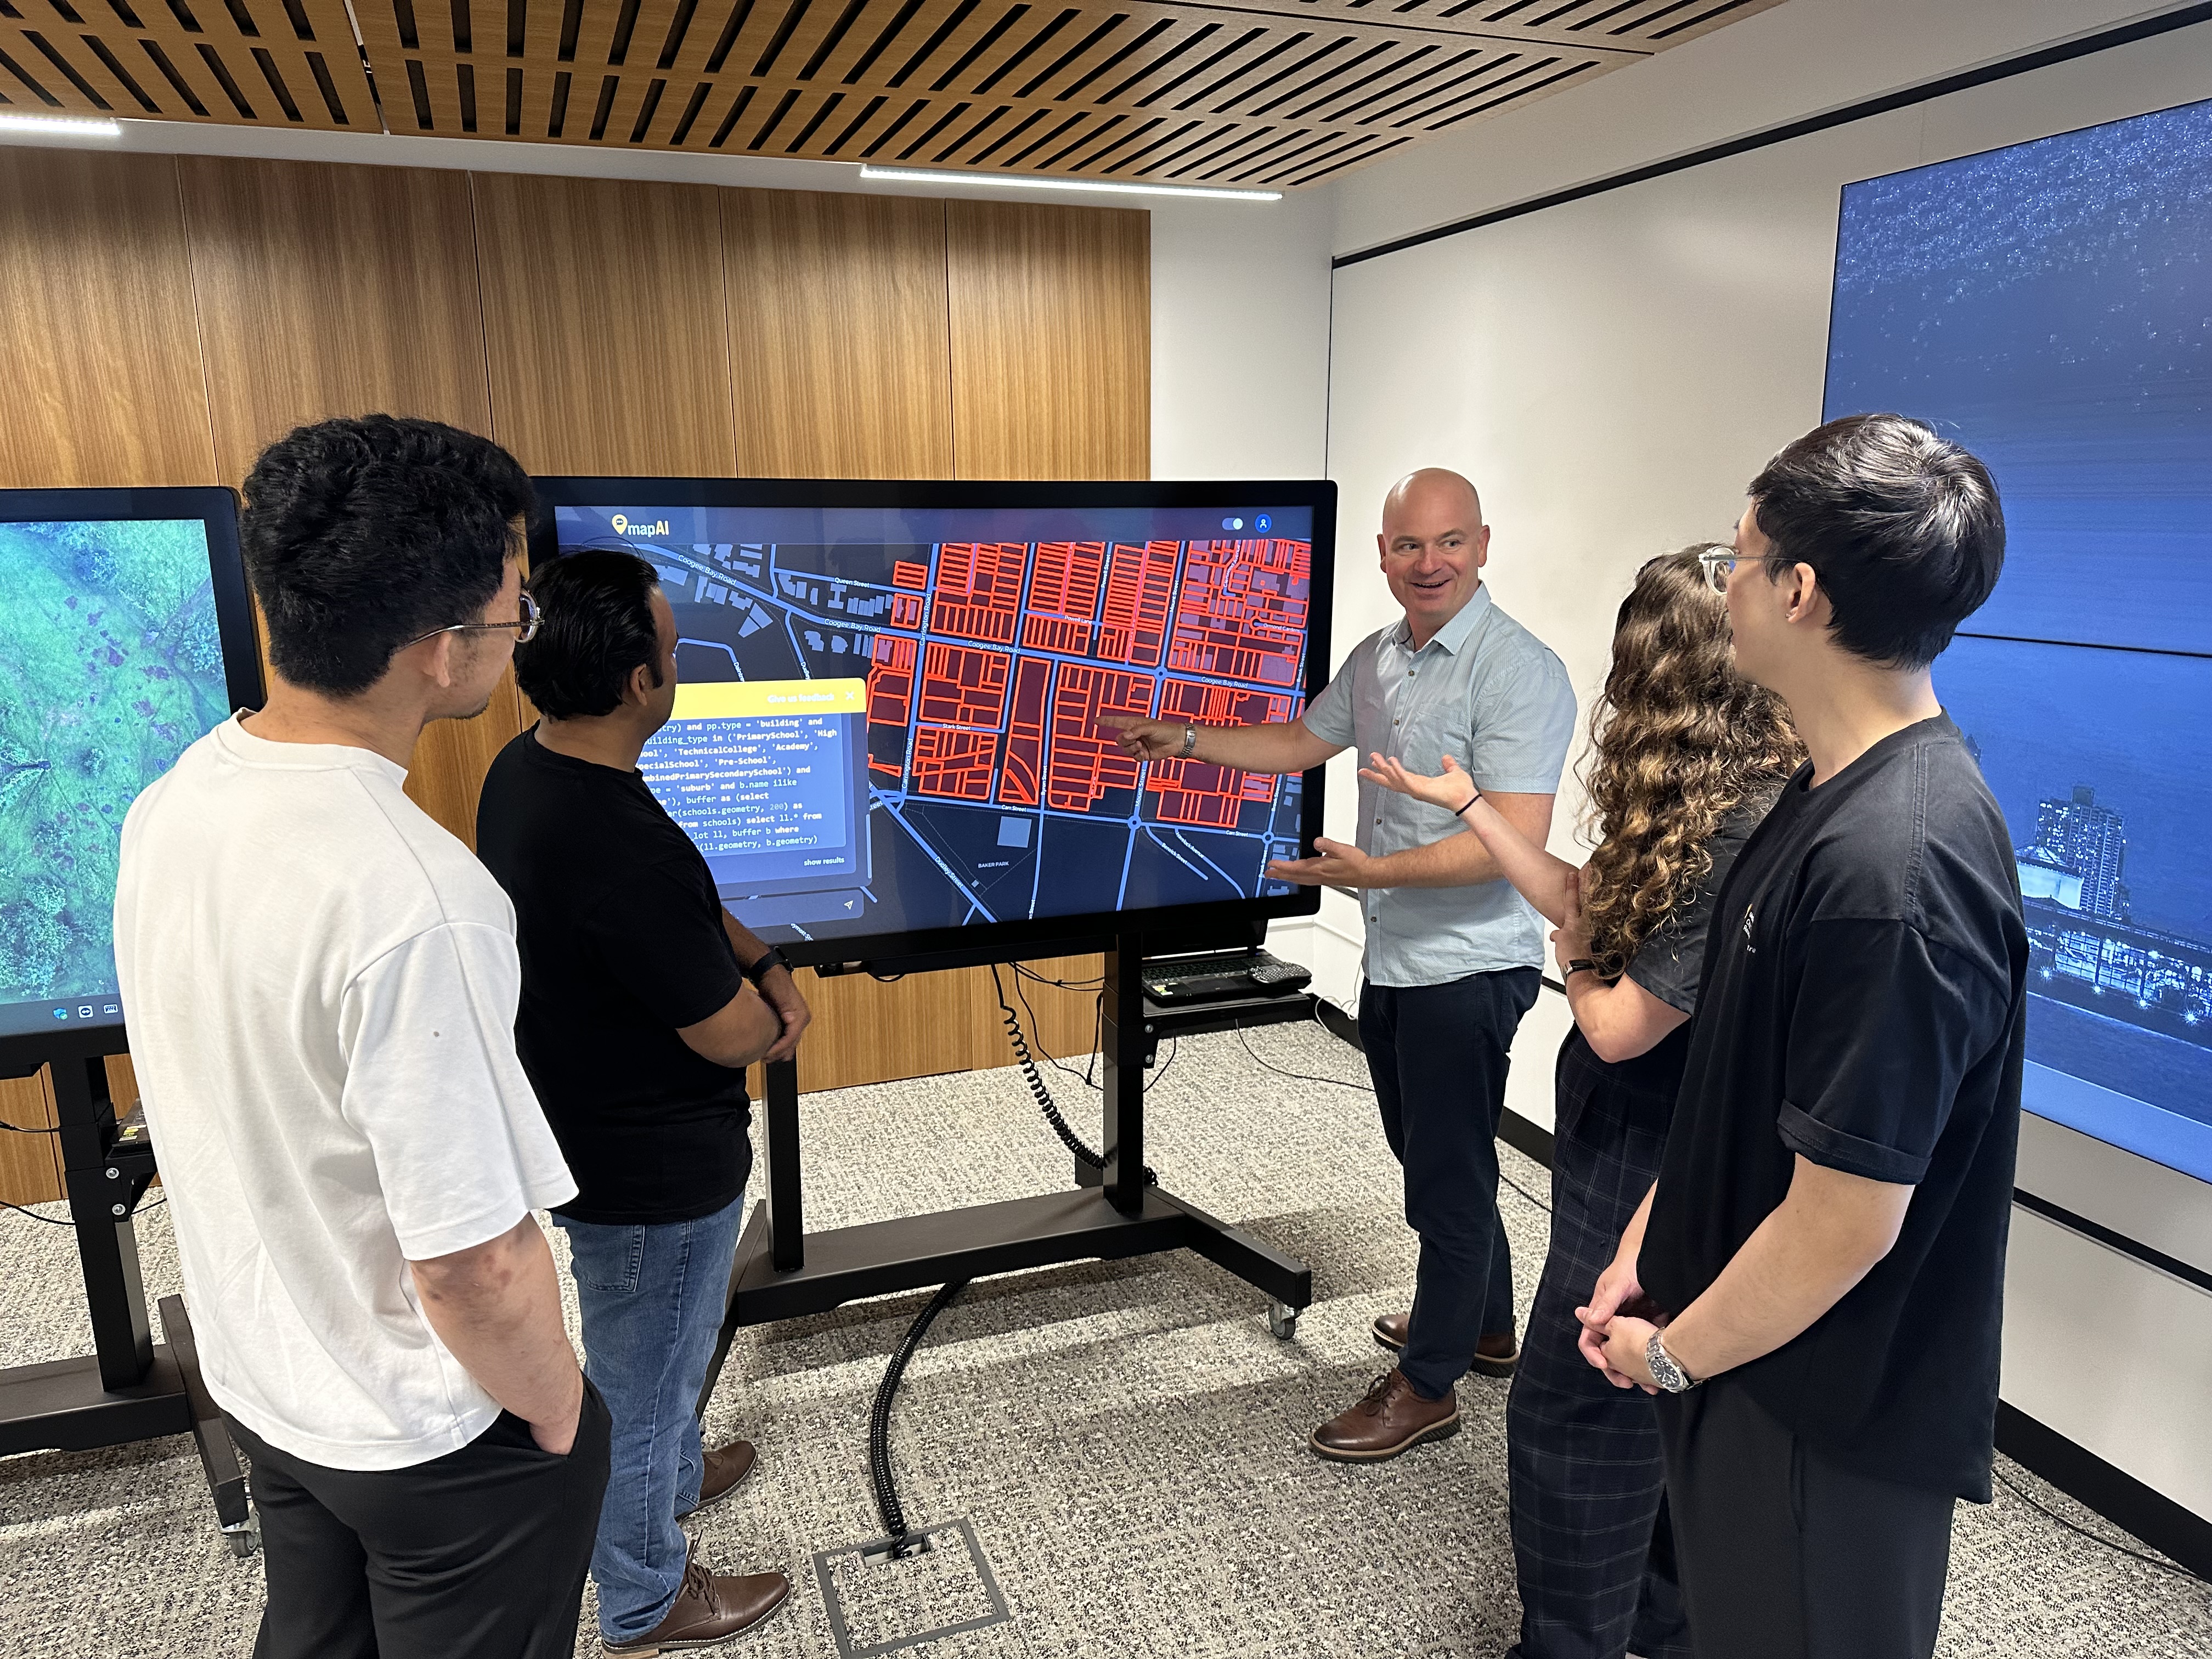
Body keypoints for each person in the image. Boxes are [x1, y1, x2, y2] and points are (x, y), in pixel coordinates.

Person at [112, 415, 608, 1658]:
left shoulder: (176, 798)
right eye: (514, 615)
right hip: (425, 1430)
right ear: (443, 653)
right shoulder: (418, 898)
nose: (519, 636)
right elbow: (472, 1262)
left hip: (266, 1375)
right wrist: (556, 1415)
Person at [1576, 414, 2023, 1659]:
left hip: (1820, 1410)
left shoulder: (1901, 868)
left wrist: (1669, 1358)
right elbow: (1744, 1086)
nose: (1724, 589)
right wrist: (1646, 1245)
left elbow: (1846, 1220)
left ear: (1802, 592)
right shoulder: (1826, 796)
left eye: (1737, 560)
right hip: (1741, 1350)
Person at [1364, 549, 1802, 1659]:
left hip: (1654, 1162)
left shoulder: (1742, 830)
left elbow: (1616, 1020)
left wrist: (1575, 956)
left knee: (1575, 1416)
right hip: (1644, 1148)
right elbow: (1586, 899)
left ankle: (1570, 1641)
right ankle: (1659, 1625)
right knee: (1650, 1409)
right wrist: (1472, 806)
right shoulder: (1715, 801)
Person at [1106, 467, 1577, 1460]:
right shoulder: (1378, 660)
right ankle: (1484, 1325)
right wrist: (1184, 739)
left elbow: (1513, 841)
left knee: (1443, 1180)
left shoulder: (1518, 670)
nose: (1429, 563)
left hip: (1469, 965)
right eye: (1408, 545)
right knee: (1434, 1158)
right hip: (1398, 956)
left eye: (1449, 542)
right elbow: (1297, 740)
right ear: (1381, 554)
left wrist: (1371, 873)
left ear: (1484, 546)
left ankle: (1431, 1381)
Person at [475, 549, 808, 1654]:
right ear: (637, 683)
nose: (677, 659)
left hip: (585, 1135)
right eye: (669, 646)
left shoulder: (531, 771)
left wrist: (755, 954)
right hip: (654, 1174)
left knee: (655, 1357)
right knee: (641, 1377)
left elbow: (685, 920)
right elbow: (728, 1032)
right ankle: (646, 1594)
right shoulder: (616, 841)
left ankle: (666, 1472)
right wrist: (779, 1010)